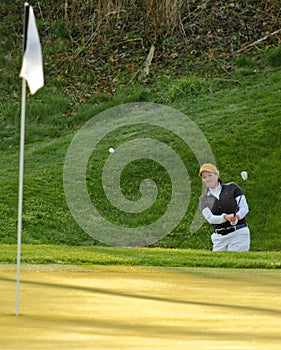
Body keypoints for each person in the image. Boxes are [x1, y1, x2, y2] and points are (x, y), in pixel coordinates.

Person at [199, 163, 250, 252]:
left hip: (238, 234)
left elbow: (244, 208)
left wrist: (237, 216)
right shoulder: (204, 198)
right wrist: (225, 217)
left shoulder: (232, 188)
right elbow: (210, 218)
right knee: (217, 264)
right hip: (219, 238)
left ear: (217, 174)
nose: (207, 179)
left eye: (210, 175)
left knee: (235, 262)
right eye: (204, 177)